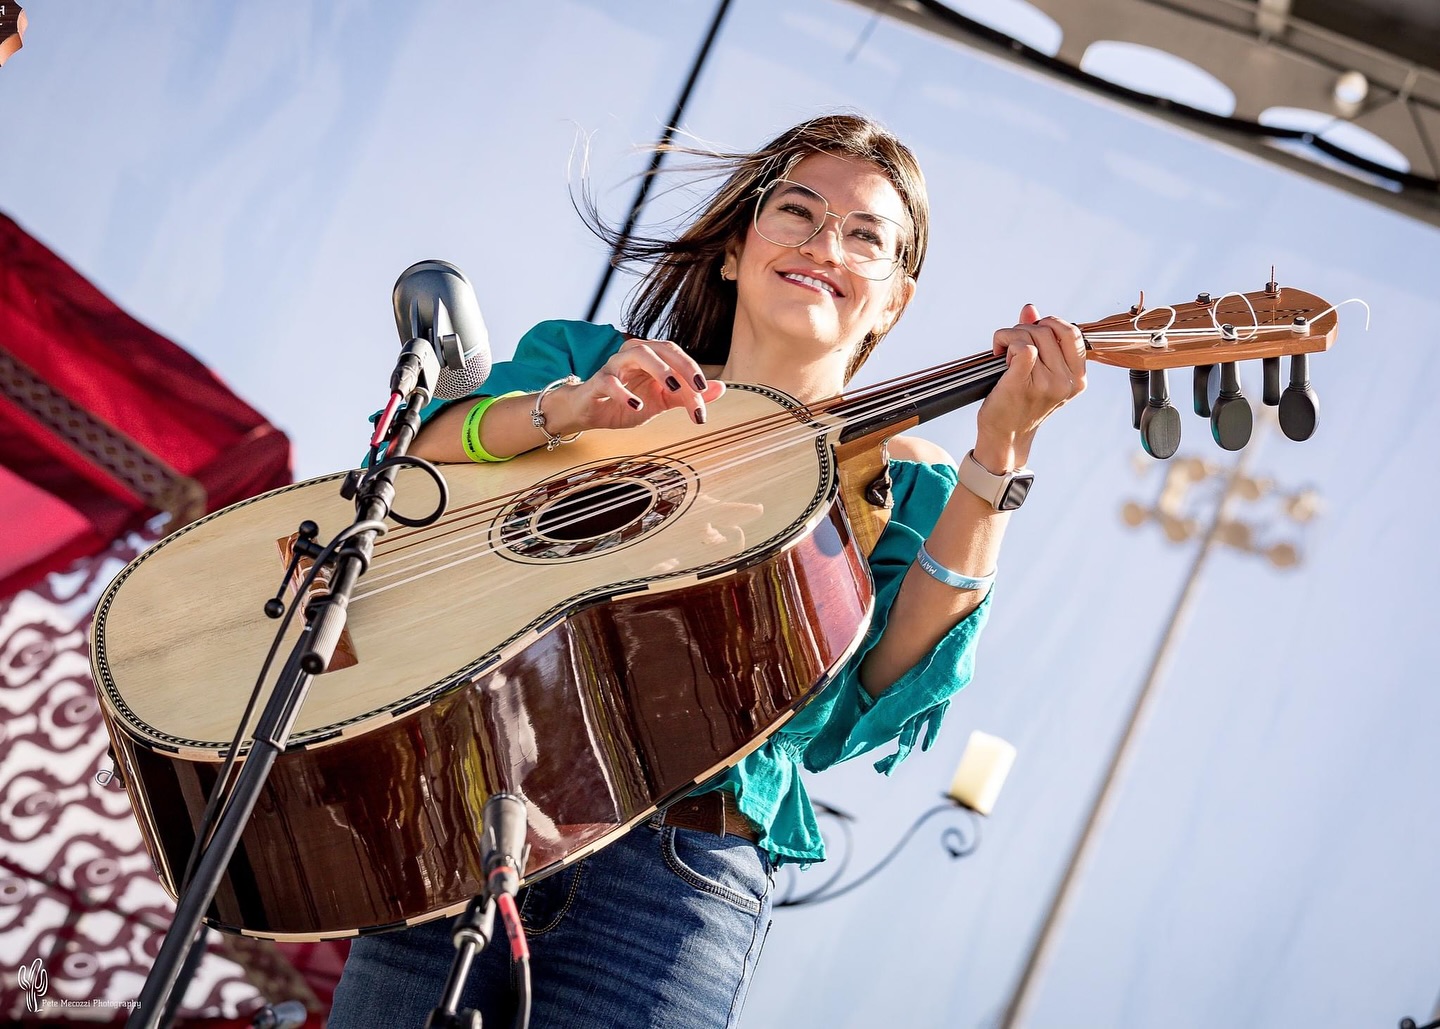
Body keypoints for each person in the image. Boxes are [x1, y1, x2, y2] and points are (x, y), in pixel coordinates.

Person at [328, 112, 1085, 1028]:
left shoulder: (911, 478)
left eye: (864, 237)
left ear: (895, 301)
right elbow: (423, 461)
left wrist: (1000, 452)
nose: (822, 246)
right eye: (797, 213)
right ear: (735, 250)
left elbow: (874, 689)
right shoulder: (591, 362)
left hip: (679, 875)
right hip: (478, 816)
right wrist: (571, 410)